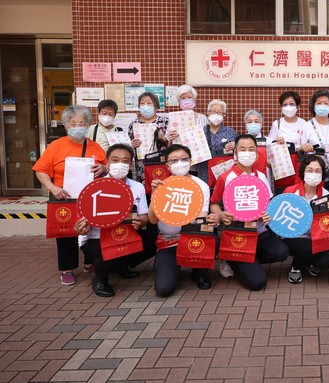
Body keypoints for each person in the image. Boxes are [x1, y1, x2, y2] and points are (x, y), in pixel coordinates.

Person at [33, 105, 107, 285]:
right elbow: (40, 170)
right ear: (66, 125)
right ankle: (67, 268)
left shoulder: (95, 147)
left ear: (88, 124)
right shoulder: (56, 146)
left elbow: (106, 168)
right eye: (72, 123)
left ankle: (90, 262)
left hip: (89, 196)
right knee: (66, 232)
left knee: (91, 230)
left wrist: (104, 168)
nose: (77, 126)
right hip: (63, 196)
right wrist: (52, 188)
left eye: (81, 123)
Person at [210, 134, 290, 291]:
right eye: (242, 149)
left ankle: (246, 259)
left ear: (257, 153)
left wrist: (267, 215)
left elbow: (269, 204)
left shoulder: (261, 176)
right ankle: (231, 258)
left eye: (251, 149)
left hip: (259, 232)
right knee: (257, 283)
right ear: (236, 153)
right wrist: (220, 215)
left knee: (281, 252)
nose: (247, 152)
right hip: (237, 234)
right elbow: (213, 203)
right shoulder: (226, 177)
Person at [73, 144, 150, 297]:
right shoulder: (92, 186)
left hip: (125, 234)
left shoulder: (137, 187)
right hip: (95, 239)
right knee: (109, 246)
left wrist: (141, 222)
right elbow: (78, 224)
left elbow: (145, 217)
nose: (120, 164)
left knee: (154, 235)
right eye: (115, 160)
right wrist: (81, 227)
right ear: (106, 164)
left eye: (125, 161)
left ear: (130, 166)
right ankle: (100, 278)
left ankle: (120, 265)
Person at [148, 144, 219, 297]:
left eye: (184, 159)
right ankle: (174, 266)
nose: (180, 163)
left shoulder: (201, 186)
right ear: (167, 165)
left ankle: (198, 272)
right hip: (168, 242)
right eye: (174, 160)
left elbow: (200, 218)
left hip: (191, 238)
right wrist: (156, 194)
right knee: (164, 289)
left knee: (213, 239)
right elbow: (152, 221)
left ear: (190, 161)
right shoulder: (162, 185)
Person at [281, 155, 329, 284]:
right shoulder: (290, 192)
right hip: (293, 237)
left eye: (318, 171)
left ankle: (308, 261)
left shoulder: (327, 196)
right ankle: (296, 266)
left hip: (317, 238)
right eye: (309, 170)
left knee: (327, 261)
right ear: (303, 171)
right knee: (307, 247)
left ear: (323, 174)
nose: (313, 174)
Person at [128, 92, 169, 186]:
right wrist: (132, 145)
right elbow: (130, 147)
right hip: (141, 165)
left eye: (149, 103)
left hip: (161, 162)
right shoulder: (134, 124)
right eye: (142, 103)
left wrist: (163, 139)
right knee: (144, 189)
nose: (145, 106)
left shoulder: (165, 122)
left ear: (156, 106)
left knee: (162, 188)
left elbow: (173, 145)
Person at [196, 99, 237, 182]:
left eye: (219, 112)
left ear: (224, 115)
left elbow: (237, 152)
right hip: (204, 174)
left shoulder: (230, 132)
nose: (216, 114)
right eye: (213, 111)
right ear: (208, 112)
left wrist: (234, 146)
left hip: (225, 174)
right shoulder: (199, 132)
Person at [307, 89, 329, 184]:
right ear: (313, 106)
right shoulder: (307, 126)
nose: (322, 106)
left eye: (326, 103)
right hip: (315, 173)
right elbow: (300, 149)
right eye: (319, 103)